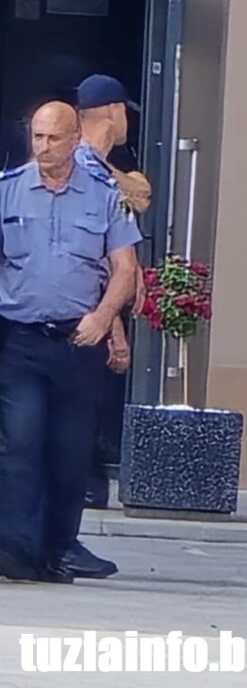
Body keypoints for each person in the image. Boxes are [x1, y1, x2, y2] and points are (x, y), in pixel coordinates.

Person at [0, 101, 141, 583]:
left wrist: (105, 319)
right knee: (20, 441)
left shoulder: (104, 195)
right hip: (22, 340)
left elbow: (125, 269)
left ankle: (58, 549)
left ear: (76, 137)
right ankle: (15, 548)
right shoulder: (8, 190)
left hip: (79, 342)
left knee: (70, 451)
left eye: (53, 138)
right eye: (37, 137)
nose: (43, 147)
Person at [60, 74, 152, 580]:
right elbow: (94, 262)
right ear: (114, 113)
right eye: (125, 113)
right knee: (70, 435)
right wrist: (112, 327)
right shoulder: (87, 173)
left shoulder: (95, 169)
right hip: (84, 323)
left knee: (73, 432)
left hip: (87, 318)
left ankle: (57, 537)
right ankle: (60, 541)